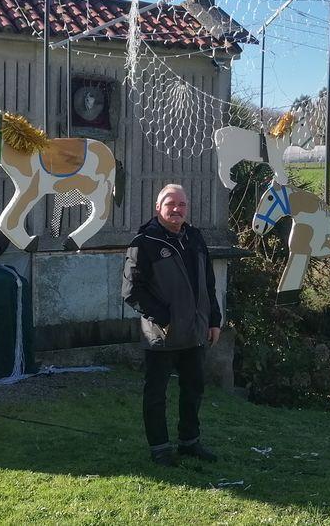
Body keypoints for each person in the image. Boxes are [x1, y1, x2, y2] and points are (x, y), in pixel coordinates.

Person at [122, 184, 222, 466]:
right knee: (156, 395)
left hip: (195, 332)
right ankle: (160, 449)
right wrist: (164, 319)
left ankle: (190, 442)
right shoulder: (143, 243)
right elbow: (131, 292)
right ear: (158, 208)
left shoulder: (195, 238)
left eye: (182, 204)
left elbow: (208, 283)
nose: (177, 209)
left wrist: (214, 320)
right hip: (161, 336)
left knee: (194, 390)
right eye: (170, 204)